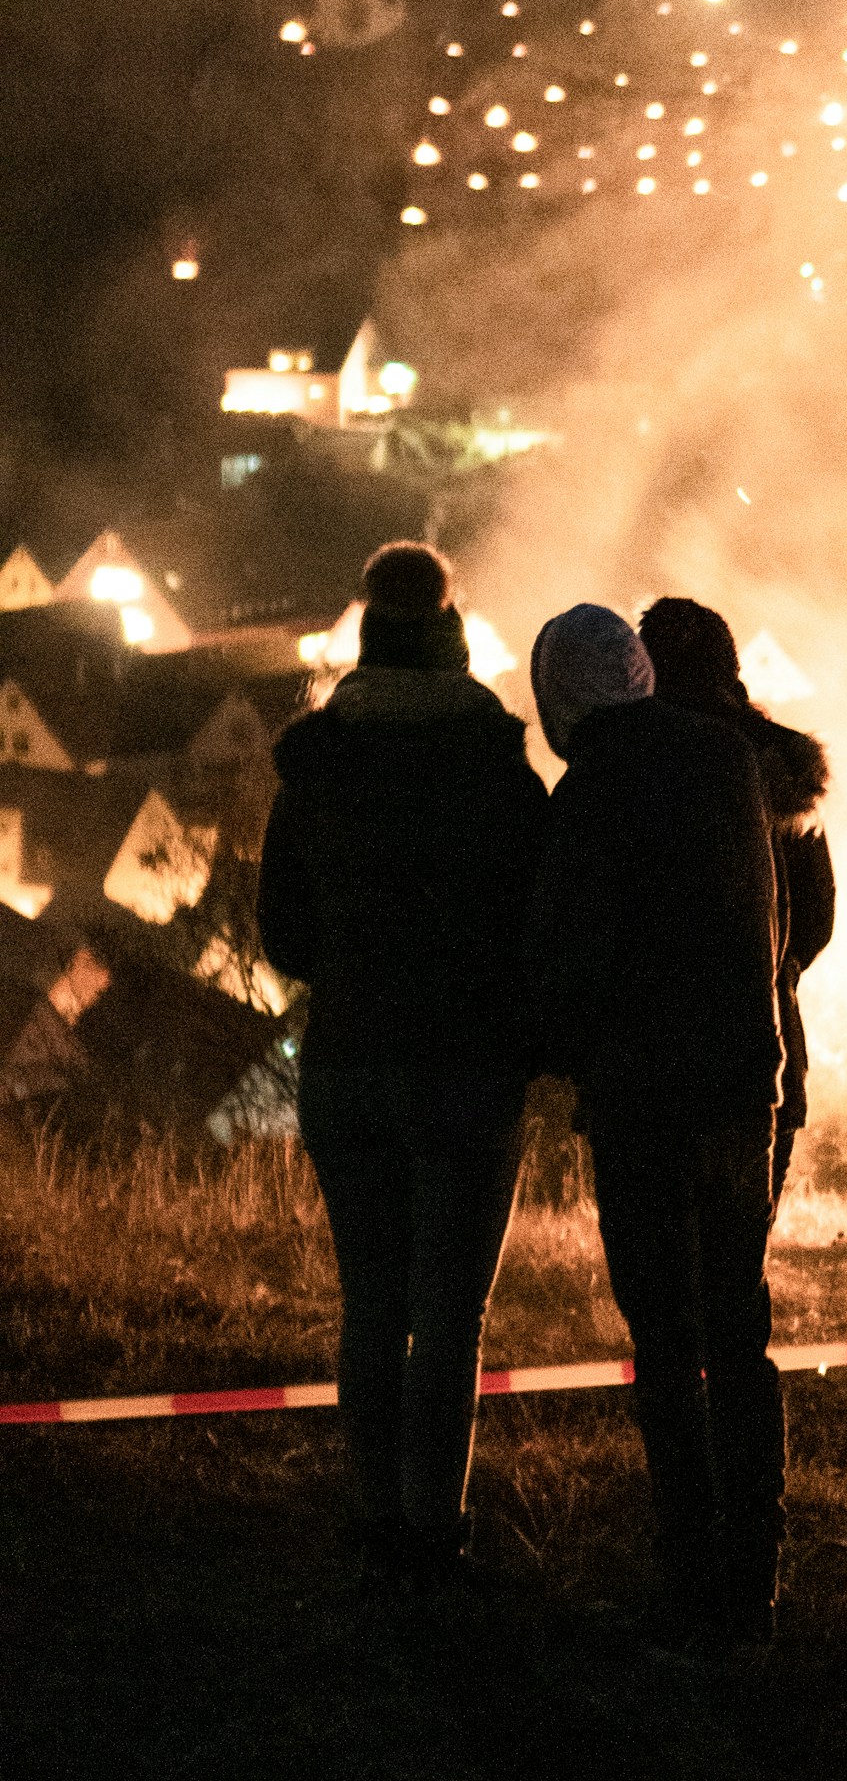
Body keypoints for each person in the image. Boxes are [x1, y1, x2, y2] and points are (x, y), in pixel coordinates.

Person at [257, 540, 548, 1587]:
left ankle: (375, 1517)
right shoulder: (496, 768)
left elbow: (282, 936)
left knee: (372, 1304)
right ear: (452, 644)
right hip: (467, 1065)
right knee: (450, 1314)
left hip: (349, 1063)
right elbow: (541, 924)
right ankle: (436, 1525)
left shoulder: (318, 769)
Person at [525, 602, 787, 1645]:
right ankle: (757, 1577)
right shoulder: (729, 762)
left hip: (645, 1103)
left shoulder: (592, 793)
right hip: (742, 1091)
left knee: (670, 1349)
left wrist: (554, 1043)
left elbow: (567, 956)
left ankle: (693, 1580)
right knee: (742, 1331)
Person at [638, 596, 836, 1209]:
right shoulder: (780, 769)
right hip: (759, 1057)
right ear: (730, 669)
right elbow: (817, 918)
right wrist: (776, 972)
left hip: (643, 1065)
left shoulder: (624, 764)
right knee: (737, 1274)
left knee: (660, 1281)